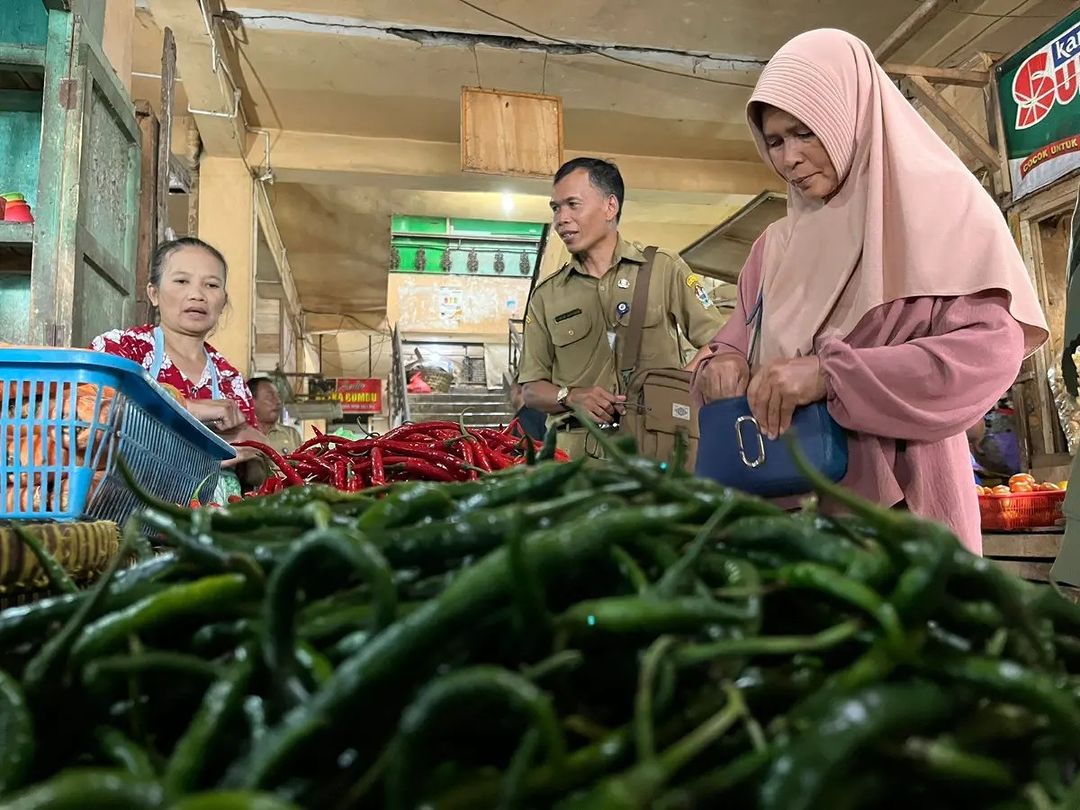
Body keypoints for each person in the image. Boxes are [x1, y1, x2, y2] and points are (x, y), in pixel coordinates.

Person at [692, 29, 1048, 554]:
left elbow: (987, 354)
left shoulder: (939, 213)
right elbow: (733, 339)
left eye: (805, 132)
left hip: (902, 515)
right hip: (784, 512)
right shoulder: (773, 248)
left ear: (849, 115)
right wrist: (719, 362)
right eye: (775, 141)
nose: (789, 158)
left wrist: (832, 376)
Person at [518, 157, 724, 458]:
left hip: (657, 451)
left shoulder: (662, 268)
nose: (561, 218)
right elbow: (531, 389)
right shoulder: (547, 295)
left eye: (573, 204)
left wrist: (675, 386)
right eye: (556, 208)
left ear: (610, 206)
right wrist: (569, 396)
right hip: (576, 461)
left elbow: (718, 342)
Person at [90, 236, 267, 495]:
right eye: (182, 281)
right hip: (127, 506)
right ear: (154, 293)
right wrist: (189, 408)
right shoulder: (122, 349)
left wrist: (256, 449)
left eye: (211, 285)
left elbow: (254, 475)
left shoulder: (230, 379)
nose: (197, 295)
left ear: (223, 302)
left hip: (211, 516)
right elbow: (87, 416)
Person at [249, 375, 302, 454]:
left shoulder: (292, 435)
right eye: (270, 397)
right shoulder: (238, 437)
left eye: (278, 396)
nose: (278, 401)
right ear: (251, 402)